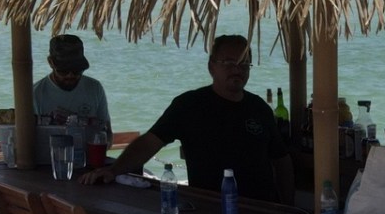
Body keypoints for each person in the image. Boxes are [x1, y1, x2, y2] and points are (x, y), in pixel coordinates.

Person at [91, 35, 291, 202]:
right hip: (207, 206)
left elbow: (281, 160)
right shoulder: (189, 105)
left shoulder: (260, 108)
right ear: (212, 66)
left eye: (244, 63)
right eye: (229, 63)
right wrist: (114, 170)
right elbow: (150, 142)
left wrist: (288, 206)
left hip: (262, 208)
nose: (237, 69)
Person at [31, 33, 112, 156]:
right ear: (50, 63)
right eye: (63, 70)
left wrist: (78, 122)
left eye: (76, 70)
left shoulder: (95, 88)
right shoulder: (35, 93)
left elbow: (108, 136)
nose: (70, 75)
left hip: (88, 163)